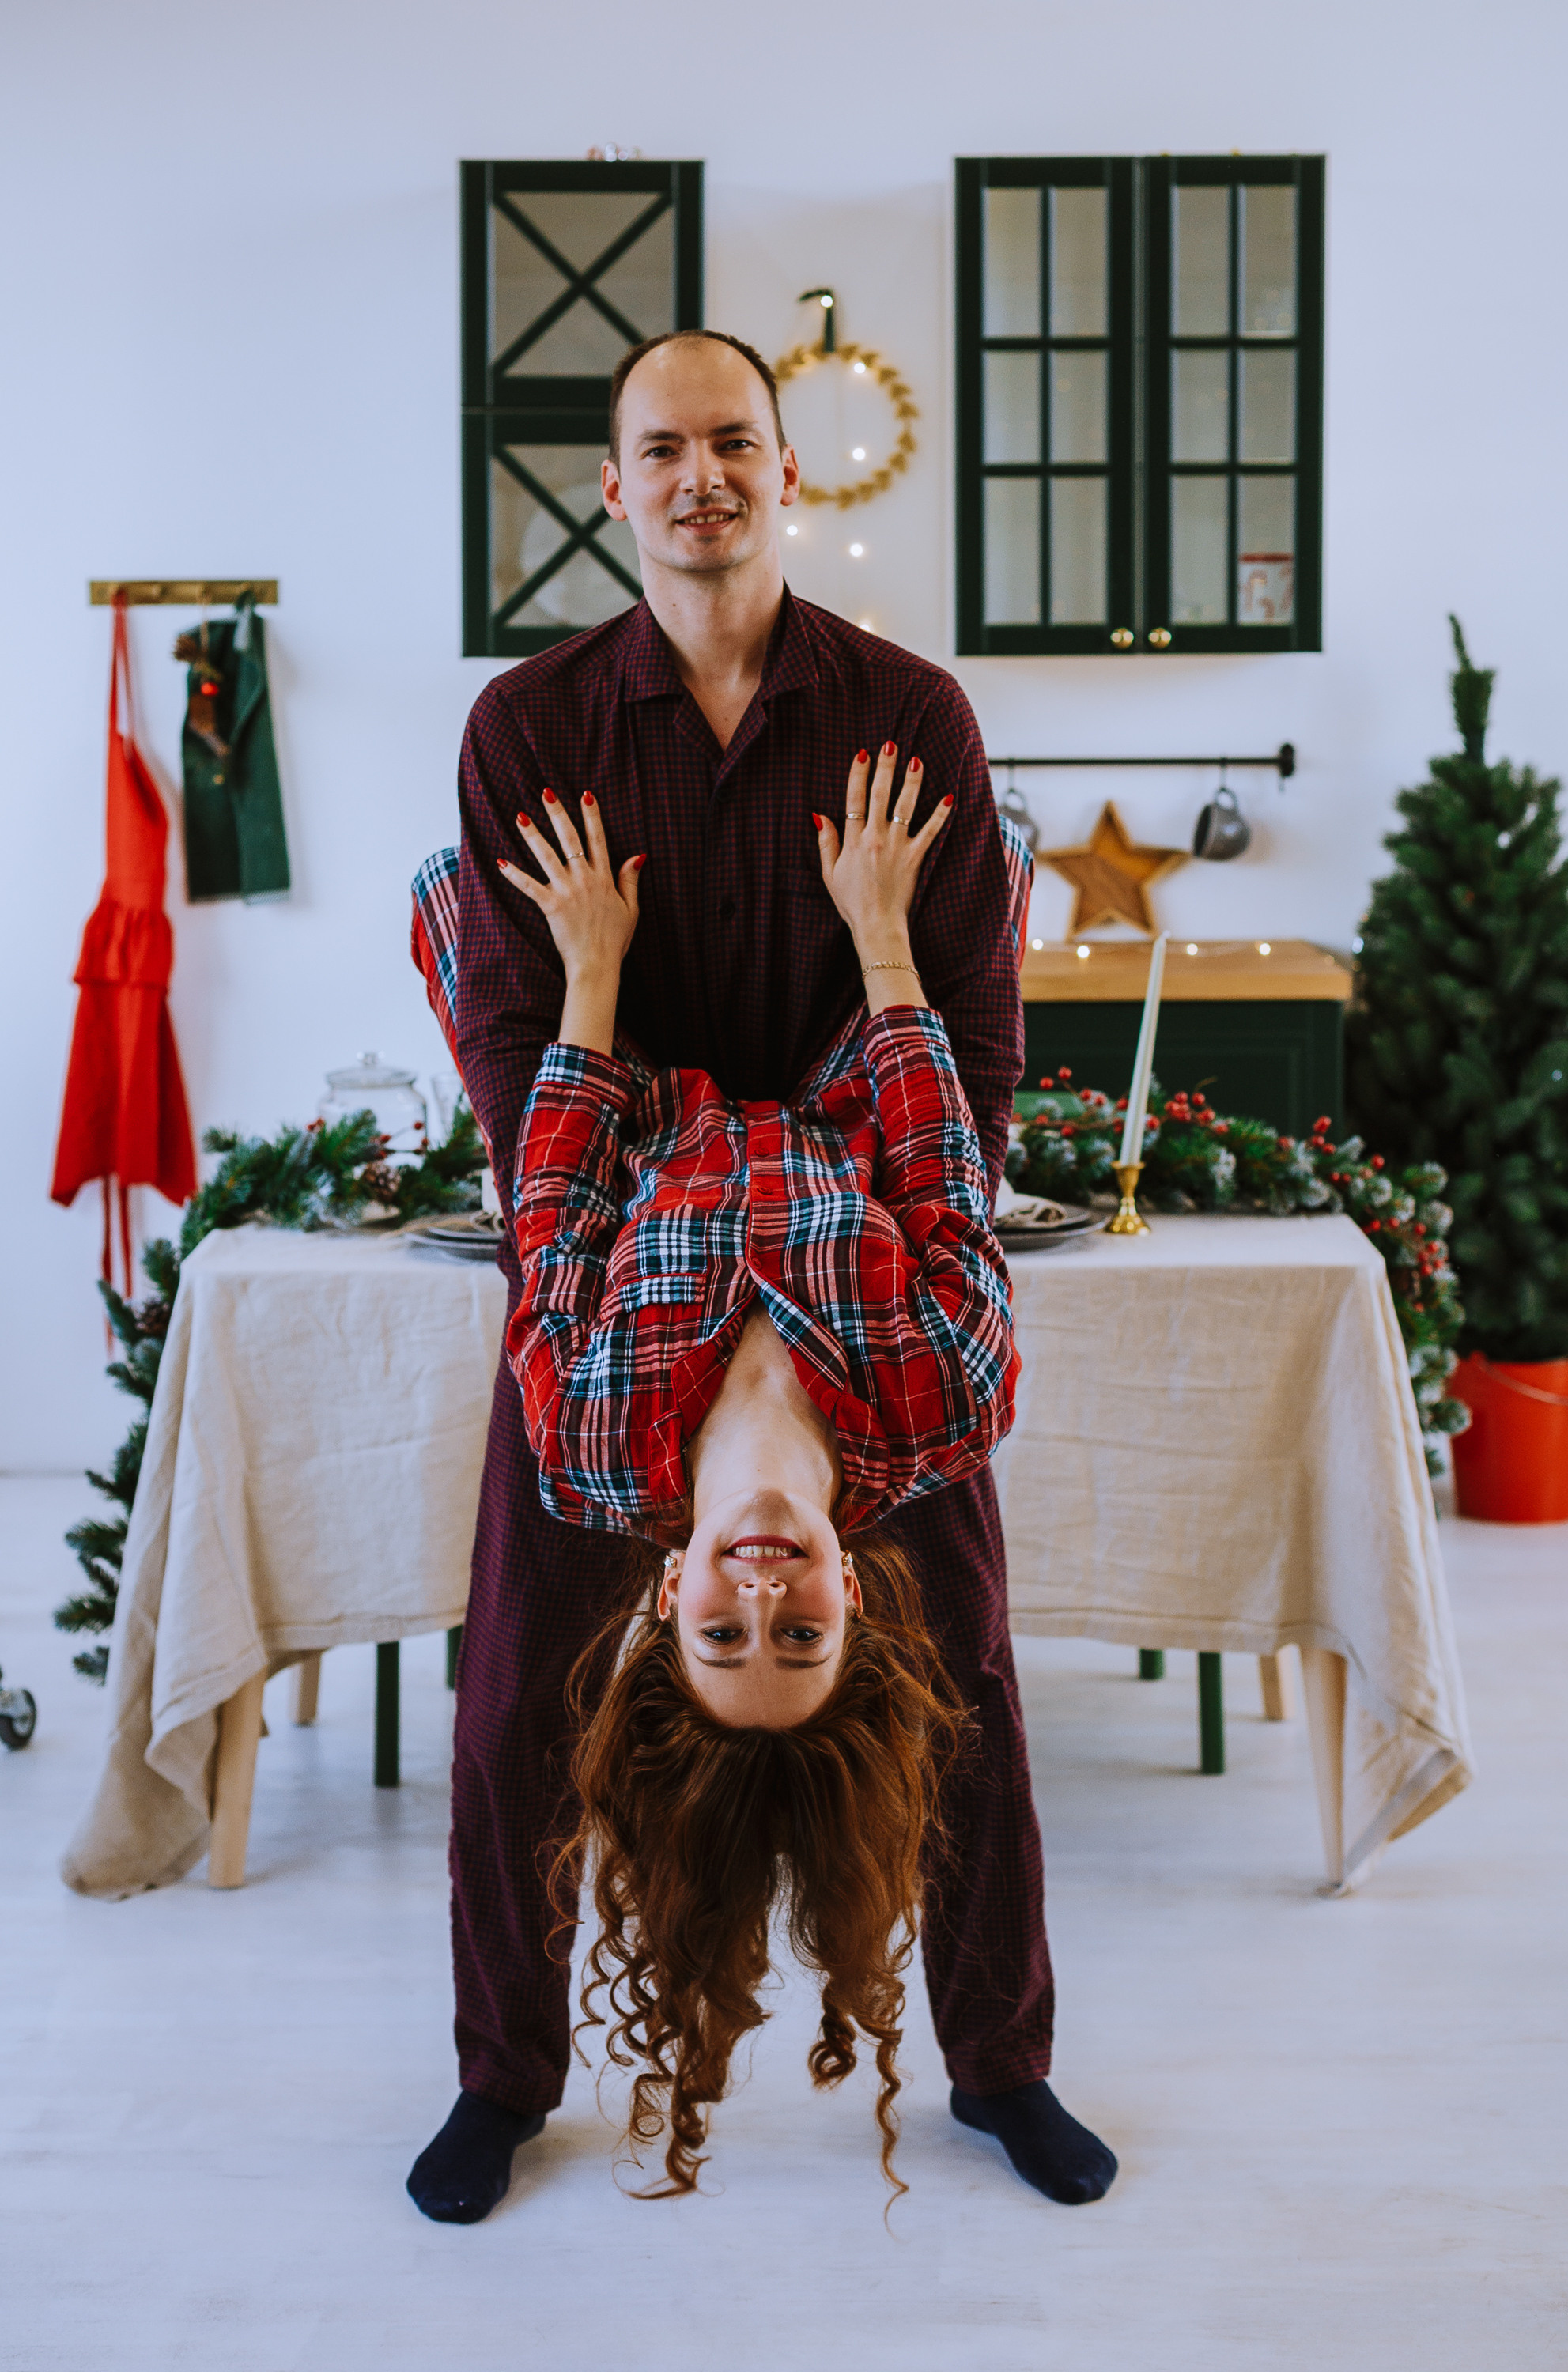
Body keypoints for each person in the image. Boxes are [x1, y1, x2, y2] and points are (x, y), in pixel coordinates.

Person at [407, 327, 1117, 2222]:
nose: (700, 476)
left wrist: (679, 1126)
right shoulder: (528, 730)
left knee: (965, 1675)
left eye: (733, 441)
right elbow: (509, 1042)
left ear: (788, 469)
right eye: (663, 449)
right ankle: (501, 2076)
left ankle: (1001, 2062)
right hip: (749, 1226)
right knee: (511, 1697)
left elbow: (973, 1043)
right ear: (615, 487)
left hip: (761, 1221)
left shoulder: (910, 719)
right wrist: (756, 1137)